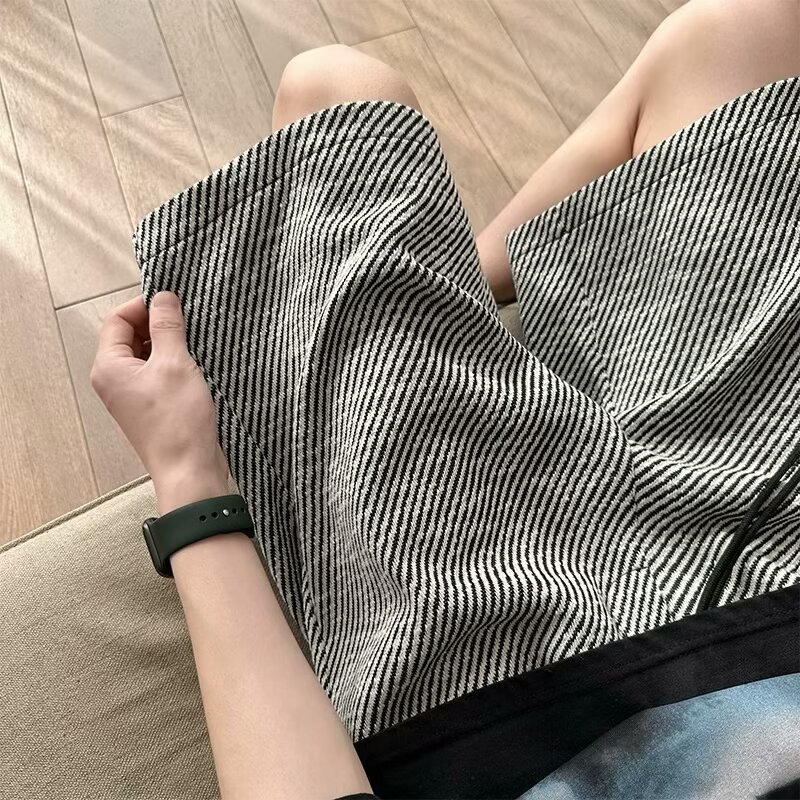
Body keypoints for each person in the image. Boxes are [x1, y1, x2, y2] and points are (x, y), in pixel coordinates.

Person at [89, 0, 799, 797]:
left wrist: (187, 476)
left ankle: (448, 289)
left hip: (507, 692)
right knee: (747, 30)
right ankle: (458, 286)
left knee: (336, 96)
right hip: (776, 581)